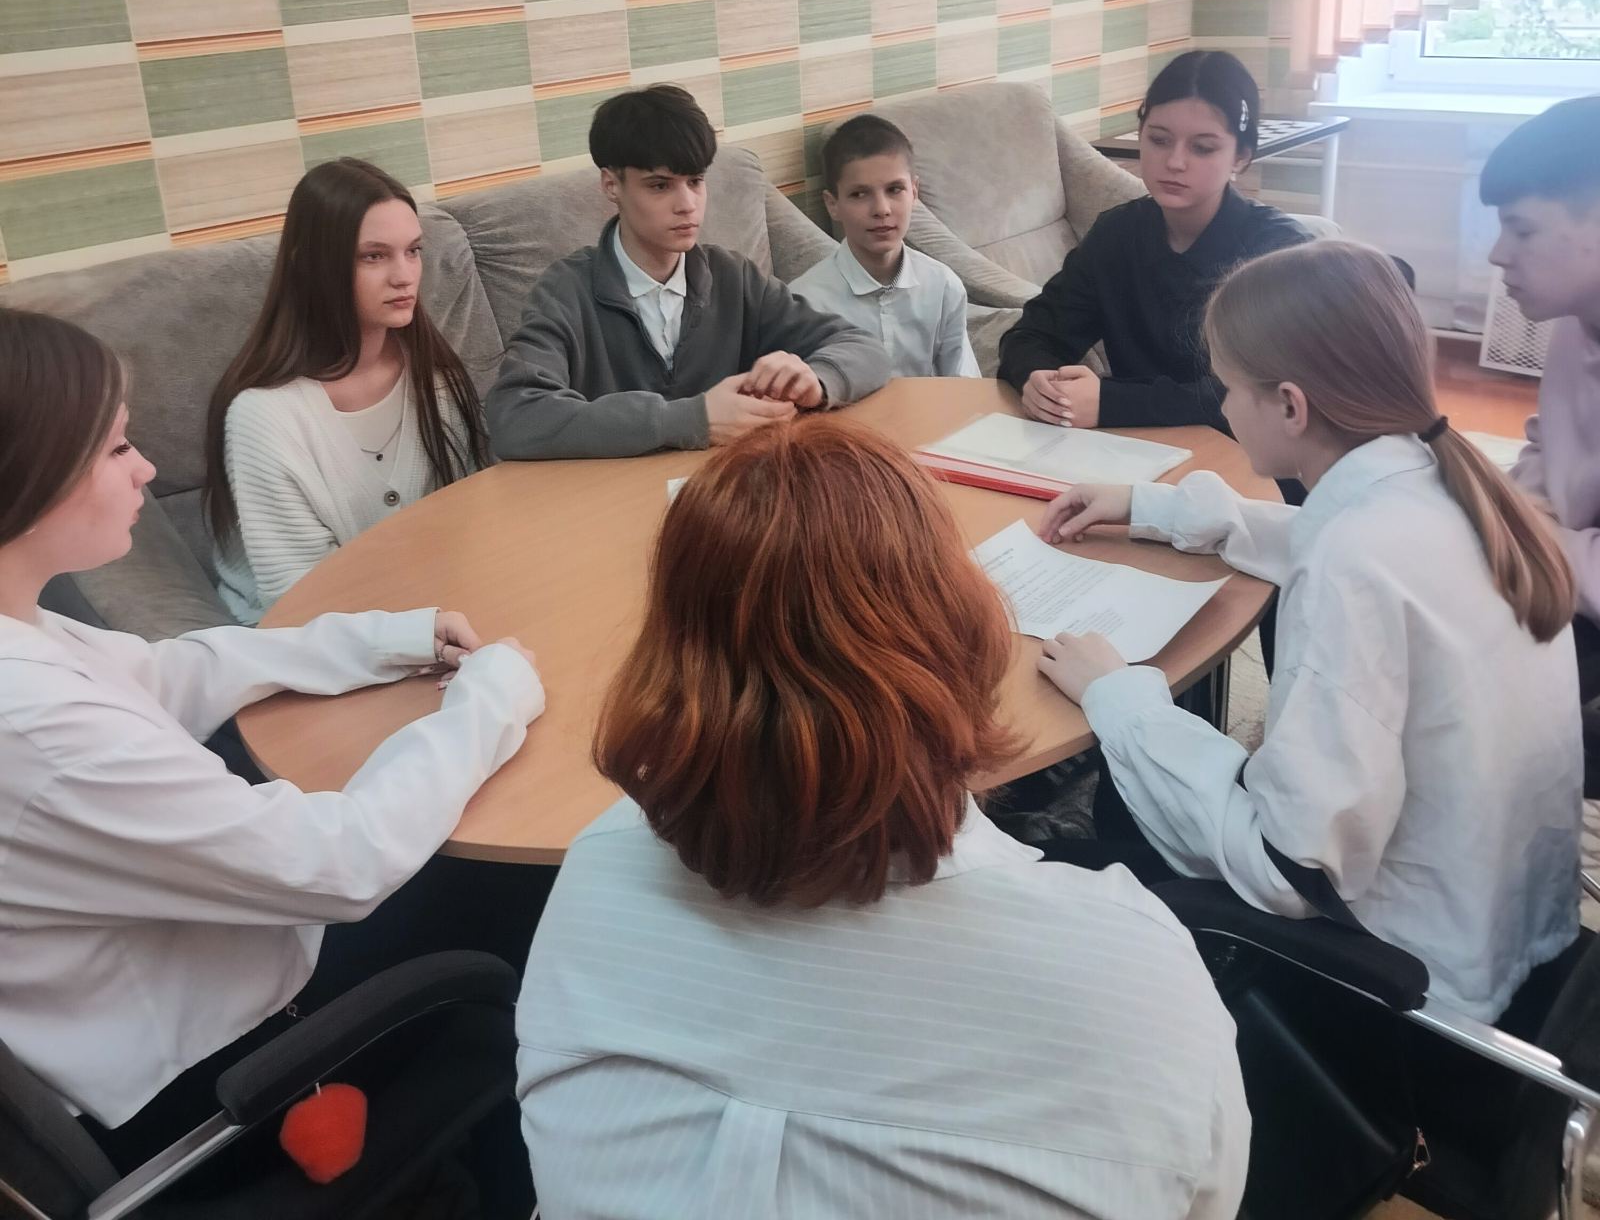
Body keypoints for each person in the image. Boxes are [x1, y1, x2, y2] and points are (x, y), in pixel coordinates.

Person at [515, 422, 1249, 1220]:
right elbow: (1206, 1197)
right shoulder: (1131, 970)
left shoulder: (596, 876)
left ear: (670, 658)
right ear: (965, 631)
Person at [0, 307, 544, 1174]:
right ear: (25, 477)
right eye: (116, 448)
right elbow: (337, 863)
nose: (145, 468)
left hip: (197, 975)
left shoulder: (22, 636)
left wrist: (391, 639)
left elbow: (173, 672)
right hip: (216, 1079)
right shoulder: (32, 724)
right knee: (524, 890)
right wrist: (489, 702)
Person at [1036, 240, 1580, 1022]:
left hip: (1412, 990)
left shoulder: (1352, 568)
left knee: (1081, 850)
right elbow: (1327, 534)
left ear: (1291, 406)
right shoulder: (1442, 482)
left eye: (1228, 388)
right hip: (1513, 931)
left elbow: (1288, 869)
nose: (1223, 407)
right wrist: (1153, 507)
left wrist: (1122, 701)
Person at [485, 85, 889, 460]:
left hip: (725, 496)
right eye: (660, 186)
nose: (687, 204)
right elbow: (515, 417)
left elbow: (863, 348)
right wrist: (693, 419)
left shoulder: (734, 277)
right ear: (611, 185)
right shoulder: (566, 291)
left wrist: (816, 381)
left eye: (695, 181)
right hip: (612, 500)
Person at [205, 158, 490, 623]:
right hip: (307, 636)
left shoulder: (436, 378)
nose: (404, 276)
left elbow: (472, 523)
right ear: (311, 265)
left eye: (413, 251)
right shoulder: (263, 416)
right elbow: (300, 605)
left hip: (432, 612)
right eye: (373, 256)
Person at [998, 49, 1309, 431]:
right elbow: (1032, 335)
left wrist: (1112, 404)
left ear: (1240, 157)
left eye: (1202, 148)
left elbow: (1268, 394)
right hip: (1131, 448)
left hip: (1249, 457)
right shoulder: (1117, 234)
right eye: (1159, 140)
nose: (1175, 162)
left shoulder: (1277, 253)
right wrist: (1037, 380)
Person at [1480, 96, 1600, 743]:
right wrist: (1505, 509)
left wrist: (1532, 537)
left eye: (1521, 231)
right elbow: (1549, 447)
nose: (1498, 254)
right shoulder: (1578, 322)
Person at [789, 113, 980, 377]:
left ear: (914, 192)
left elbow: (963, 384)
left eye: (894, 189)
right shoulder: (804, 302)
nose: (881, 209)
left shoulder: (943, 285)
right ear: (833, 204)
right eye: (859, 194)